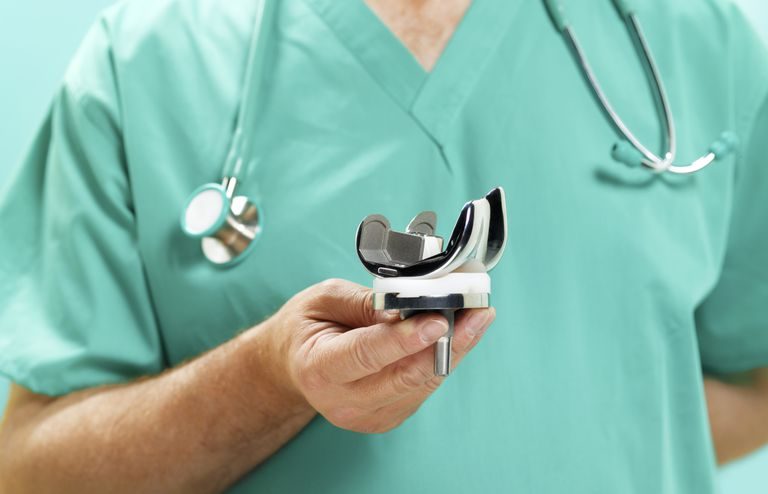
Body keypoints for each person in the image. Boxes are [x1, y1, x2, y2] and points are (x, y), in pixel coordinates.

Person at [1, 0, 767, 492]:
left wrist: (579, 429)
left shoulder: (696, 36)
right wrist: (270, 381)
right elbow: (31, 470)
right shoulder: (148, 58)